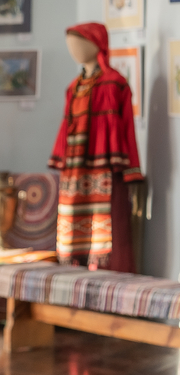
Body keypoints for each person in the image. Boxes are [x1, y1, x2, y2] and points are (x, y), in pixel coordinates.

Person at [49, 23, 142, 271]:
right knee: (73, 235)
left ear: (96, 44)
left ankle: (110, 282)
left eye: (78, 43)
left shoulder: (115, 84)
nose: (73, 50)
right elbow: (65, 128)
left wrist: (132, 171)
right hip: (74, 173)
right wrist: (61, 160)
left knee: (109, 233)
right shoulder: (73, 87)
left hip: (106, 172)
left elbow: (127, 130)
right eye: (70, 44)